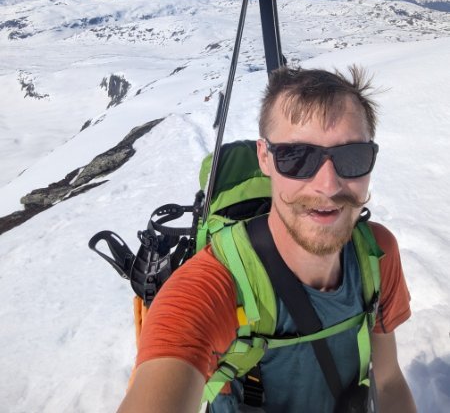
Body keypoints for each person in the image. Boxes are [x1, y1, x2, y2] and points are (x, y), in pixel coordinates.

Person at [117, 66, 416, 413]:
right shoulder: (213, 285)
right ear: (264, 158)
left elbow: (389, 380)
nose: (328, 185)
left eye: (352, 157)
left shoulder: (376, 254)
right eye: (297, 157)